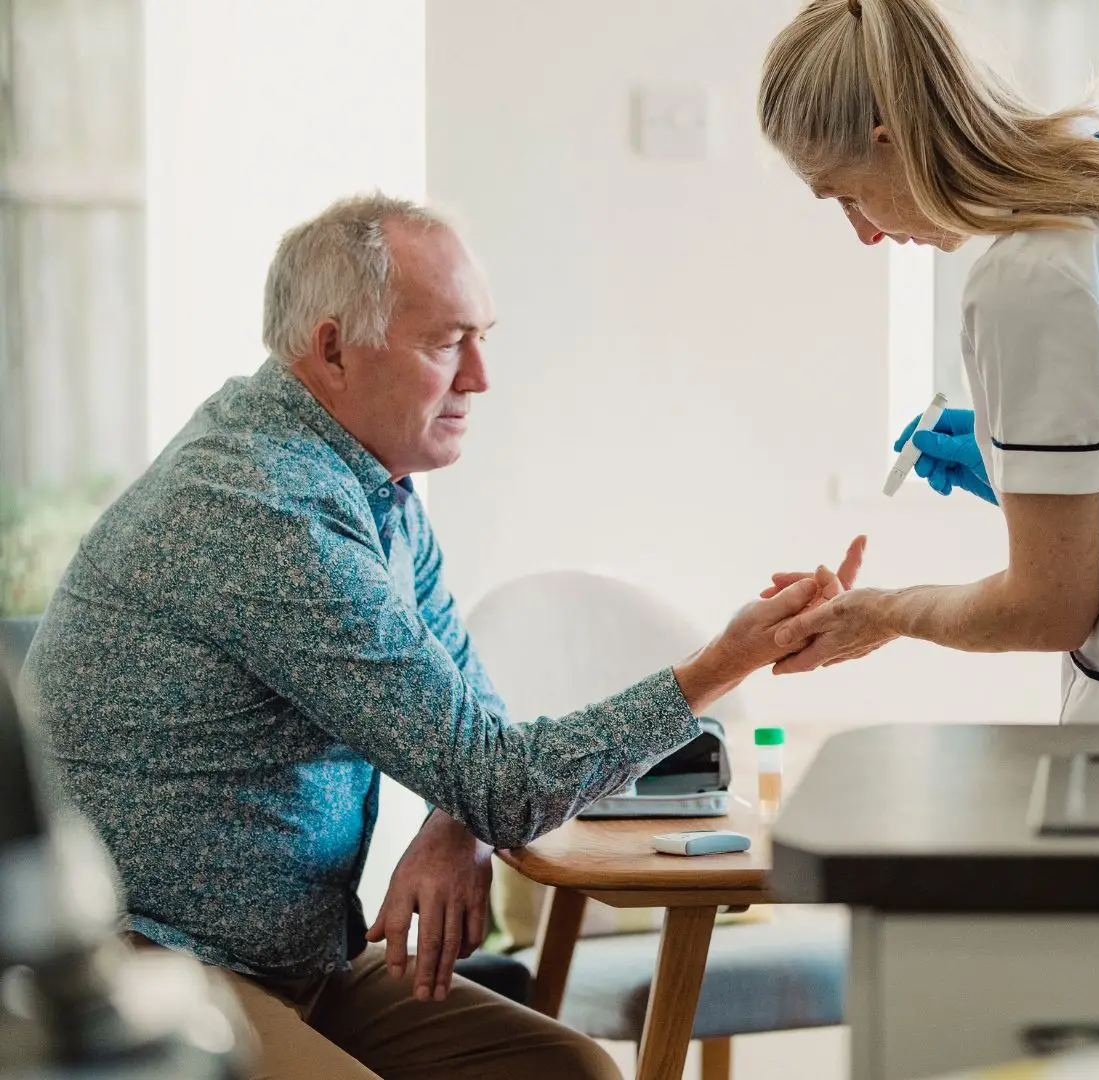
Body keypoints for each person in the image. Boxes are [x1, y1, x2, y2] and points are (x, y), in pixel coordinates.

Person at [20, 194, 824, 1080]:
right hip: (161, 961)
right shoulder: (263, 509)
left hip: (302, 958)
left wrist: (456, 820)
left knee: (572, 1072)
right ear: (331, 349)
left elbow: (471, 712)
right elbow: (503, 780)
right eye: (446, 344)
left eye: (483, 337)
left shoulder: (379, 492)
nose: (480, 376)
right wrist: (723, 663)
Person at [755, 0, 1099, 726]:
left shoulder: (1029, 272)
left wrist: (882, 613)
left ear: (894, 141)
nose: (866, 234)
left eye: (849, 196)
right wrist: (1035, 475)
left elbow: (1047, 611)